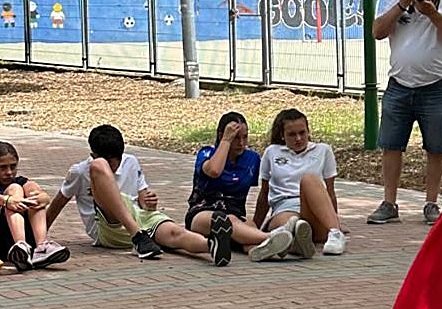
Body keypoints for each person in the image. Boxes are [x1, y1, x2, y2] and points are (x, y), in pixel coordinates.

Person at [368, 0, 442, 226]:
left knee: (436, 147)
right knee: (391, 144)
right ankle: (389, 203)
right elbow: (377, 32)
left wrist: (432, 13)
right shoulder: (397, 3)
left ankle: (431, 203)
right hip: (400, 84)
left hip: (437, 86)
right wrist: (403, 5)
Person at [45, 125, 231, 265]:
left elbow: (143, 199)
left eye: (114, 162)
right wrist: (36, 238)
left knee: (175, 232)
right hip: (107, 228)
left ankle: (211, 245)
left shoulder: (131, 162)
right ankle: (138, 237)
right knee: (98, 169)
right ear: (92, 154)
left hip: (139, 218)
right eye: (106, 162)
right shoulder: (81, 170)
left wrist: (149, 202)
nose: (111, 168)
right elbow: (58, 202)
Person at [186, 112, 295, 262]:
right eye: (236, 138)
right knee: (227, 220)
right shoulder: (206, 153)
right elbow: (214, 171)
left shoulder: (252, 159)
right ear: (221, 135)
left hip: (237, 213)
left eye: (245, 137)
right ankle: (271, 237)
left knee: (249, 227)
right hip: (203, 212)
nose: (241, 143)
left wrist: (257, 222)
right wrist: (226, 140)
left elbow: (265, 190)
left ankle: (263, 250)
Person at [253, 108, 347, 256]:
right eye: (292, 134)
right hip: (284, 208)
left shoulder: (323, 150)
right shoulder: (272, 152)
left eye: (302, 133)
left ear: (308, 131)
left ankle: (334, 235)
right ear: (282, 135)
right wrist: (255, 227)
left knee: (308, 179)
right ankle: (294, 239)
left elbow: (330, 192)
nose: (298, 138)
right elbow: (264, 193)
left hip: (314, 210)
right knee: (291, 222)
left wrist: (335, 222)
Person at [1, 141, 70, 271]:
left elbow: (43, 196)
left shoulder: (21, 181)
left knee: (31, 187)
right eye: (3, 167)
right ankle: (20, 245)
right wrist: (6, 200)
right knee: (14, 189)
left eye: (13, 166)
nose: (9, 172)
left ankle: (41, 247)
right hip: (4, 242)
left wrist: (42, 198)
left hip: (29, 243)